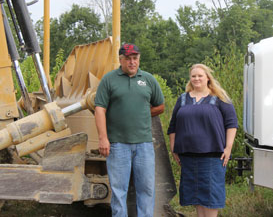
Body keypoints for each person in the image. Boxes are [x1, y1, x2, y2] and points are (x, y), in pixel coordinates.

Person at [94, 43, 164, 217]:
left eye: (135, 58)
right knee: (118, 191)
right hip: (118, 145)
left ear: (139, 59)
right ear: (120, 60)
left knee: (146, 189)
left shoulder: (148, 79)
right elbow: (99, 110)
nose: (132, 62)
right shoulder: (109, 80)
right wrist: (103, 138)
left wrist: (142, 112)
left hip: (144, 145)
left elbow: (160, 106)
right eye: (128, 59)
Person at [167, 64, 238, 217]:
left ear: (207, 78)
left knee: (211, 197)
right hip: (188, 157)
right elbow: (172, 126)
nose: (197, 78)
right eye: (193, 76)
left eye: (200, 75)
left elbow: (231, 123)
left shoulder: (219, 98)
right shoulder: (183, 99)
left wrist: (228, 148)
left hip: (212, 156)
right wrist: (174, 148)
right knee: (197, 196)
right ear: (190, 79)